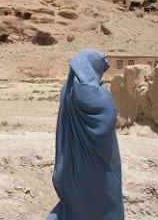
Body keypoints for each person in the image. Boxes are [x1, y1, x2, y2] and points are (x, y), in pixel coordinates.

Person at [47, 49, 124, 220]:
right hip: (99, 165)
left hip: (71, 163)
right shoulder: (93, 93)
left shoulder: (68, 89)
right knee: (104, 202)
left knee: (75, 204)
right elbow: (107, 118)